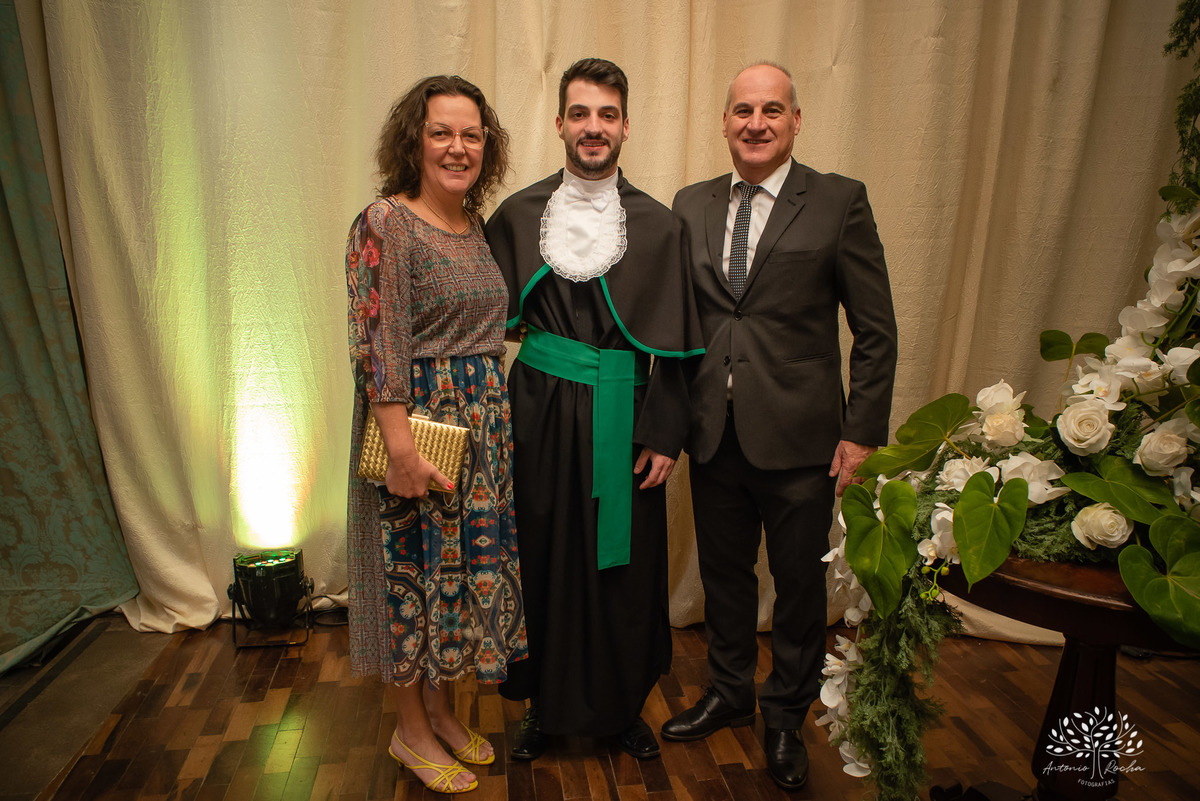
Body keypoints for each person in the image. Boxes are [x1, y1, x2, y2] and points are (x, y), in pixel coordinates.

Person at [662, 62, 898, 791]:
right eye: (742, 110)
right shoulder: (689, 204)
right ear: (725, 122)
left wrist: (861, 432)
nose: (755, 123)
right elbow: (679, 325)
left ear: (797, 120)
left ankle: (786, 713)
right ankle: (730, 690)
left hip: (803, 440)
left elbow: (876, 328)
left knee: (797, 586)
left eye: (771, 109)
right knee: (725, 577)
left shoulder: (837, 201)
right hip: (715, 433)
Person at [484, 58, 704, 761]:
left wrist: (667, 432)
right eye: (580, 114)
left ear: (626, 126)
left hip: (625, 415)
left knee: (623, 569)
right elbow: (481, 327)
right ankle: (544, 708)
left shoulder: (660, 227)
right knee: (540, 554)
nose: (593, 127)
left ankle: (619, 709)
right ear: (559, 124)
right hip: (538, 411)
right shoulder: (518, 216)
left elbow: (675, 347)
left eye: (607, 115)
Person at [345, 75, 527, 795]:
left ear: (488, 145)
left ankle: (443, 713)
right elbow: (379, 341)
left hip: (479, 422)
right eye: (441, 132)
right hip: (418, 423)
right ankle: (409, 731)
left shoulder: (471, 224)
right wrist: (400, 448)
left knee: (451, 582)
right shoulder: (385, 221)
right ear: (413, 142)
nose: (458, 147)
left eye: (471, 134)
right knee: (409, 581)